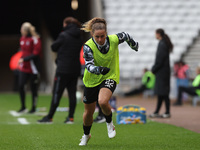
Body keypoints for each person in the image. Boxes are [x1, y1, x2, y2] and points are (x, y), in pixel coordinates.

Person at [79, 17, 139, 146]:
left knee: (102, 101)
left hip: (109, 76)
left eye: (102, 36)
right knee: (88, 113)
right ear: (92, 35)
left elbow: (126, 35)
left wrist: (134, 45)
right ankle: (86, 135)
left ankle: (109, 124)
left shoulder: (113, 39)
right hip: (92, 79)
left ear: (106, 33)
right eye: (97, 37)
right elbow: (88, 66)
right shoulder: (88, 46)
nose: (100, 40)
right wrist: (99, 69)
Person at [38, 17, 83, 124]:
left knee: (57, 93)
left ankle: (50, 117)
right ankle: (70, 118)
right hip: (75, 69)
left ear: (66, 24)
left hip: (63, 69)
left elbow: (53, 47)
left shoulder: (63, 35)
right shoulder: (79, 36)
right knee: (72, 93)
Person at [18, 22, 41, 113]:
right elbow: (23, 52)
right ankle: (23, 107)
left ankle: (33, 108)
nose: (20, 30)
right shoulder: (22, 39)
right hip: (24, 67)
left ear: (25, 30)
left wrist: (24, 59)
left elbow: (36, 54)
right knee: (21, 86)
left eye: (22, 29)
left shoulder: (35, 39)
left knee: (33, 88)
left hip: (33, 68)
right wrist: (21, 60)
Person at [149, 28, 173, 118]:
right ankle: (158, 111)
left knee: (163, 93)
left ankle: (166, 112)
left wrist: (154, 68)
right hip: (163, 72)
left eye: (156, 33)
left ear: (159, 34)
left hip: (162, 72)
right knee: (162, 93)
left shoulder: (162, 44)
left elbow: (160, 59)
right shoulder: (163, 43)